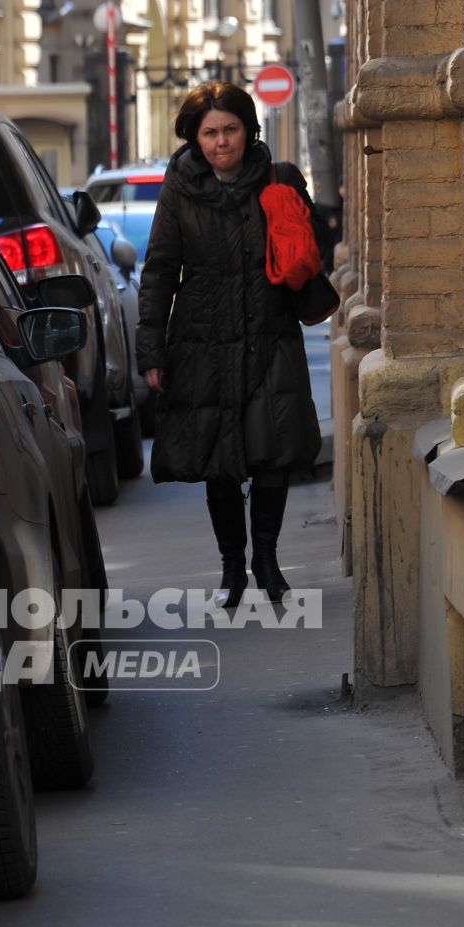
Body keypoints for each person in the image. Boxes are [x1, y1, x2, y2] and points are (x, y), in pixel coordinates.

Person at [135, 81, 323, 608]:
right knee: (220, 461)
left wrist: (296, 211)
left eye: (231, 129)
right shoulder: (180, 185)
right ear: (196, 139)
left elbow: (312, 252)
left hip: (270, 331)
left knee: (272, 453)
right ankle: (231, 569)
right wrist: (150, 353)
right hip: (203, 338)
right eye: (210, 133)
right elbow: (159, 269)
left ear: (249, 129)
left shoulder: (277, 177)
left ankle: (267, 559)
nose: (222, 142)